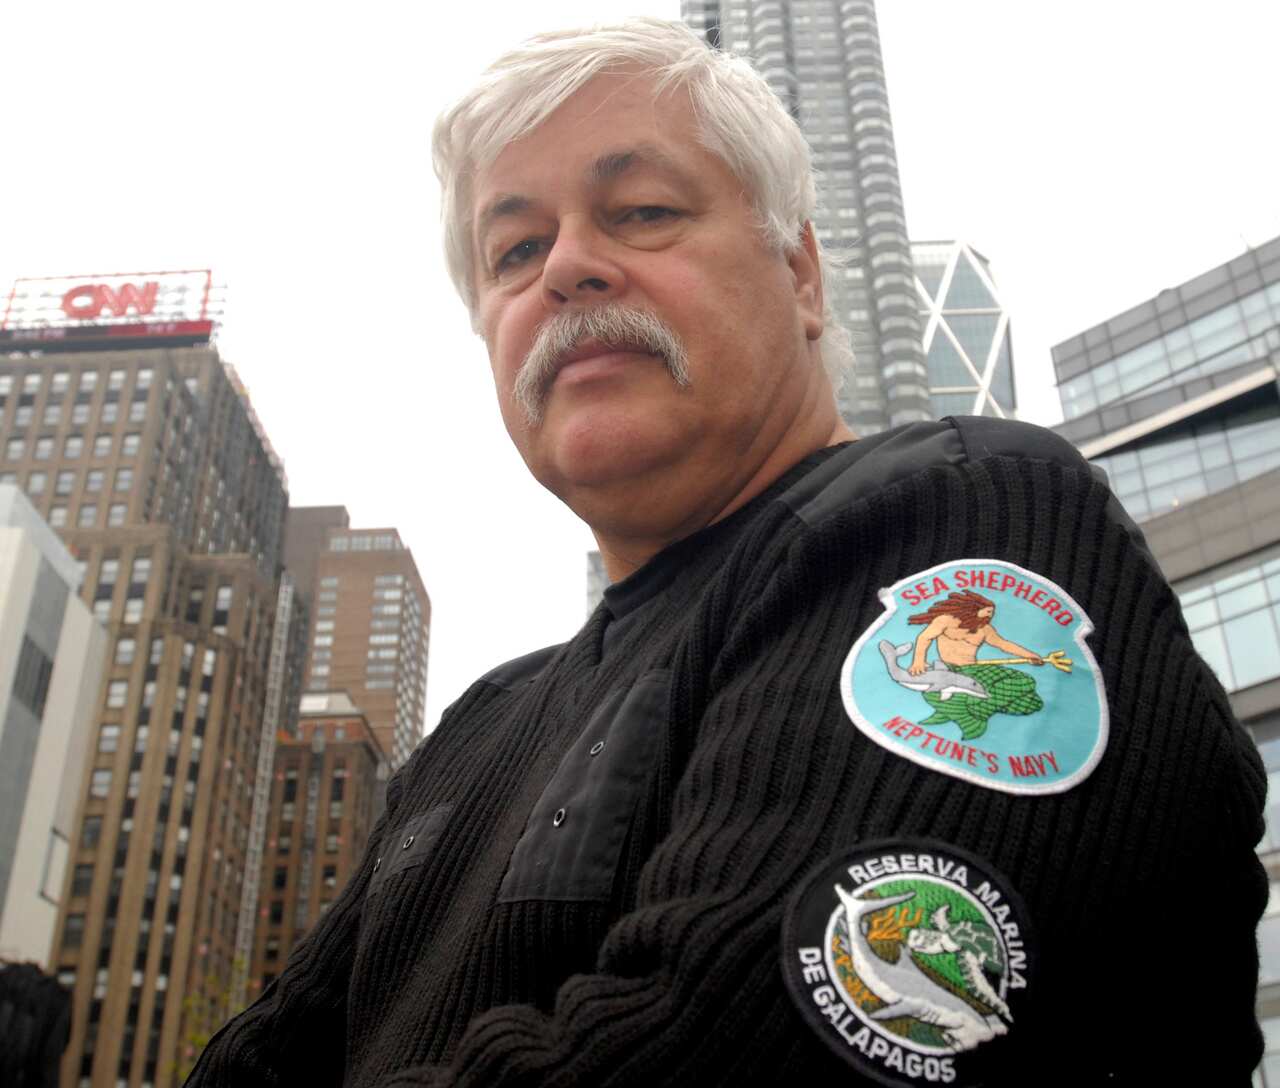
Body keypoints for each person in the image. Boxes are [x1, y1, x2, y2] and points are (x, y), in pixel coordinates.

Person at [188, 18, 1265, 1087]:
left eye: (642, 212)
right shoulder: (479, 726)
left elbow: (731, 1044)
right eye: (514, 249)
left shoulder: (971, 517)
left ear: (800, 275)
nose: (566, 267)